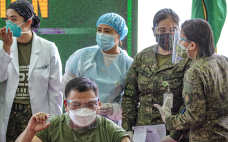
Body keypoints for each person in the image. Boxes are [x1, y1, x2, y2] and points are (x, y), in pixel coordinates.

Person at [0, 0, 63, 142]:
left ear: (28, 22)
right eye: (7, 19)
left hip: (37, 114)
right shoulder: (1, 46)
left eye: (13, 19)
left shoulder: (48, 48)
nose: (8, 23)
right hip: (10, 113)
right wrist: (6, 48)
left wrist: (55, 122)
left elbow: (56, 90)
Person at [121, 8, 190, 141]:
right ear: (154, 31)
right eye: (162, 30)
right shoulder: (142, 57)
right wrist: (127, 130)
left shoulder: (187, 58)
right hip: (142, 130)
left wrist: (175, 135)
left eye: (173, 30)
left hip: (173, 132)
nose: (168, 34)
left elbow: (189, 102)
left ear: (180, 31)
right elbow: (130, 96)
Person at [154, 19, 228, 142]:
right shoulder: (223, 61)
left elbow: (195, 116)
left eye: (182, 40)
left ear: (192, 45)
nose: (179, 44)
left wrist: (169, 120)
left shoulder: (195, 72)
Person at [63, 13, 133, 125]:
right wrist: (78, 106)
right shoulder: (82, 56)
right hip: (78, 119)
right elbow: (66, 88)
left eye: (107, 31)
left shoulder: (128, 65)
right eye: (99, 30)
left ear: (119, 35)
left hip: (109, 124)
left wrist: (113, 109)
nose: (101, 35)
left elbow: (131, 102)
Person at [15, 77, 131, 142]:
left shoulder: (108, 129)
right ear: (66, 105)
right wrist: (30, 131)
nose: (83, 109)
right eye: (76, 104)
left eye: (90, 104)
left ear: (98, 104)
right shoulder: (52, 127)